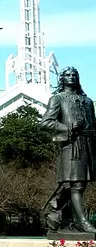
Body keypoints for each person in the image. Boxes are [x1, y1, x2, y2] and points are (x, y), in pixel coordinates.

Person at [40, 66, 96, 235]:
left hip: (88, 146)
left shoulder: (88, 101)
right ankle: (82, 222)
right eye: (67, 75)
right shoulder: (57, 98)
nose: (71, 77)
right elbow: (46, 122)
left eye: (74, 74)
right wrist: (68, 127)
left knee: (81, 184)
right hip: (72, 146)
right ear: (62, 79)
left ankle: (63, 213)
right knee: (76, 184)